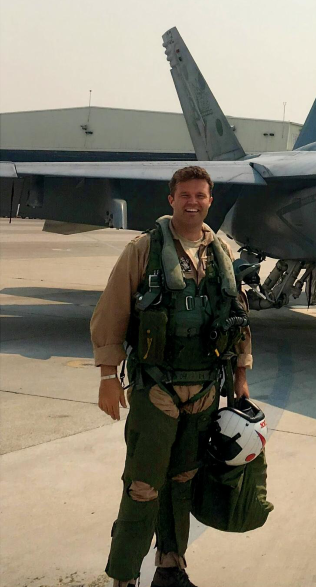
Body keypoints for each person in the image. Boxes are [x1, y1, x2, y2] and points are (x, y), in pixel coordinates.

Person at [92, 165, 252, 587]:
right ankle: (124, 576)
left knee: (183, 481)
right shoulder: (143, 250)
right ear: (171, 199)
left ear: (210, 200)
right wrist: (109, 377)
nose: (193, 202)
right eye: (185, 194)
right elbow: (111, 313)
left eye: (200, 195)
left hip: (204, 387)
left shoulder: (221, 255)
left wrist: (240, 372)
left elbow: (237, 316)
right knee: (144, 485)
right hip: (157, 386)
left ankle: (170, 566)